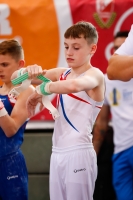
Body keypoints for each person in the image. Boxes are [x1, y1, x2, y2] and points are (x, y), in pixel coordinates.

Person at [13, 21, 105, 200]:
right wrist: (28, 71)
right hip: (57, 153)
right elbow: (16, 80)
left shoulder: (95, 75)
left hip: (79, 153)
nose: (69, 52)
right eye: (66, 46)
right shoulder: (61, 73)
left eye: (76, 47)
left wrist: (42, 89)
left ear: (92, 49)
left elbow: (74, 85)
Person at [93, 30, 133, 200]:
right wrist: (92, 155)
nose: (119, 52)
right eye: (117, 49)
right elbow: (102, 122)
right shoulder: (106, 80)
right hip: (120, 150)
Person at [0, 39, 35, 200]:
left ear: (20, 64)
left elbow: (11, 129)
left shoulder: (27, 91)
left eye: (5, 65)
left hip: (10, 165)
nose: (0, 69)